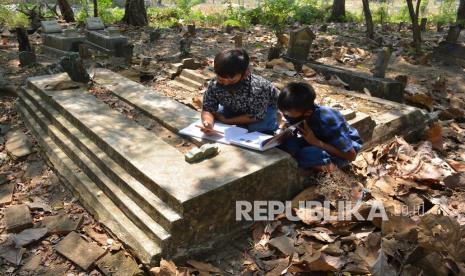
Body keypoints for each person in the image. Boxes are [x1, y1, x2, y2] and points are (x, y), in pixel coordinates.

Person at [277, 82, 363, 171]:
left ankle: (342, 179)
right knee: (286, 144)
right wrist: (284, 129)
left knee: (309, 153)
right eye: (283, 113)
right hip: (316, 141)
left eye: (288, 115)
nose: (284, 116)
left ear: (307, 113)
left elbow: (351, 156)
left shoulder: (329, 121)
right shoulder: (296, 112)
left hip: (342, 153)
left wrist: (317, 142)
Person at [201, 49, 279, 135]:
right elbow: (208, 108)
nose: (226, 84)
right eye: (221, 80)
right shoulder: (214, 84)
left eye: (232, 81)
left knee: (256, 129)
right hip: (234, 107)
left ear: (245, 73)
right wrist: (207, 123)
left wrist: (227, 121)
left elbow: (256, 116)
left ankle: (273, 124)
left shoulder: (258, 87)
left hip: (264, 109)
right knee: (216, 119)